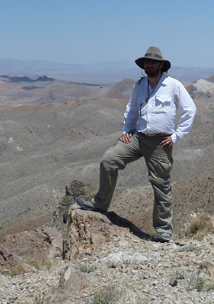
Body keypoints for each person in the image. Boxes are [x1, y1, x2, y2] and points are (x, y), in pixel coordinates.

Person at [77, 46, 197, 242]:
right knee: (108, 160)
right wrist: (126, 131)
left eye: (152, 62)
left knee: (160, 184)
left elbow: (189, 110)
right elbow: (132, 109)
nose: (149, 65)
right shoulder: (140, 85)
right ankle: (100, 204)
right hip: (138, 137)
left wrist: (176, 136)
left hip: (160, 142)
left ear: (160, 64)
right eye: (146, 62)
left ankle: (163, 230)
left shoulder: (173, 85)